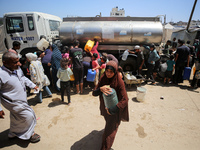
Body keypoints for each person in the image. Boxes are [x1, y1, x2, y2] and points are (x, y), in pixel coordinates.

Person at [0, 51, 40, 143]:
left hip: (21, 100)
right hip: (13, 102)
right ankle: (30, 134)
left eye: (18, 61)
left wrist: (32, 85)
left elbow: (23, 78)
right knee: (29, 116)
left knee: (16, 118)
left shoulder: (17, 69)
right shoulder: (1, 74)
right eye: (15, 62)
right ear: (5, 63)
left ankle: (13, 133)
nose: (19, 64)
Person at [92, 61, 129, 150]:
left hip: (115, 110)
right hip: (105, 107)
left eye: (111, 72)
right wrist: (100, 89)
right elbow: (94, 92)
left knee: (109, 132)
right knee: (109, 124)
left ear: (115, 72)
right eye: (107, 71)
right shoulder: (103, 77)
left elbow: (125, 99)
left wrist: (113, 109)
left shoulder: (119, 82)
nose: (108, 73)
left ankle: (105, 148)